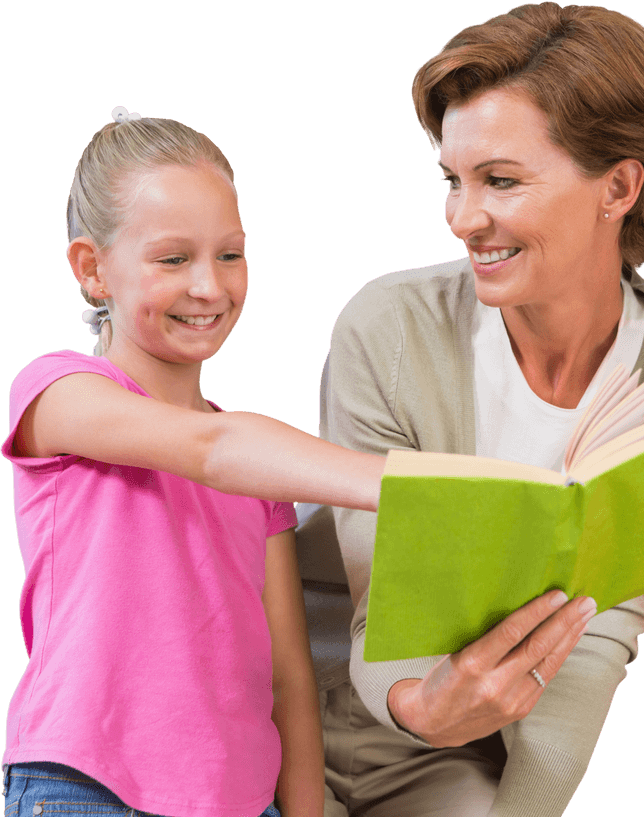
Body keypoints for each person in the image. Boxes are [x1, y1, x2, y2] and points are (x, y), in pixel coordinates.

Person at [0, 107, 582, 817]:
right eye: (173, 258)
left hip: (243, 803)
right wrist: (424, 488)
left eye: (230, 254)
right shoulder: (54, 393)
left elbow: (289, 678)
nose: (209, 287)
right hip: (87, 789)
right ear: (93, 270)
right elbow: (210, 450)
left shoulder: (259, 475)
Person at [297, 3, 644, 815]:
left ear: (619, 186)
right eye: (452, 180)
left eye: (500, 180)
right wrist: (421, 707)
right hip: (289, 711)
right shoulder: (389, 325)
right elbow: (379, 609)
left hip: (455, 759)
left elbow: (602, 624)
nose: (464, 218)